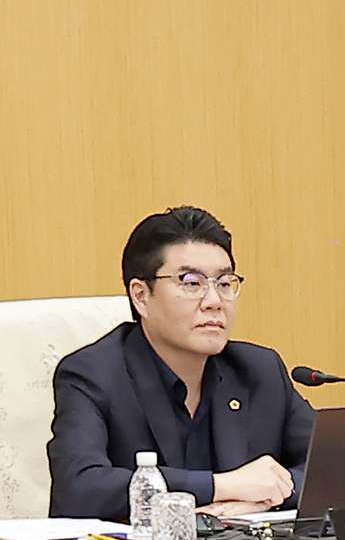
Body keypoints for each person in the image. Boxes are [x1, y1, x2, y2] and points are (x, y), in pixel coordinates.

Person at [46, 206, 312, 522]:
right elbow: (79, 489)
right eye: (191, 283)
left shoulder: (259, 370)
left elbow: (339, 467)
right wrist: (221, 486)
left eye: (224, 283)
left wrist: (266, 498)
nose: (214, 301)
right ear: (141, 296)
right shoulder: (92, 374)